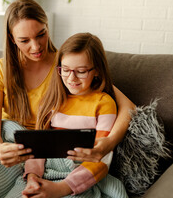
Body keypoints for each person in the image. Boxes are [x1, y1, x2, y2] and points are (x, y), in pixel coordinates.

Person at [0, 0, 135, 176]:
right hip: (3, 140)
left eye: (41, 34)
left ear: (47, 26)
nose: (36, 46)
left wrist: (108, 143)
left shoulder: (65, 67)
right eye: (24, 40)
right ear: (12, 39)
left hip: (37, 150)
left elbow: (128, 106)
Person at [22, 32, 121, 197]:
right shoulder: (53, 99)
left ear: (96, 71)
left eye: (81, 71)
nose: (71, 78)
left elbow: (101, 158)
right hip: (43, 171)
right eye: (65, 70)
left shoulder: (103, 103)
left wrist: (61, 188)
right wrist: (32, 177)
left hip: (79, 176)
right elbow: (38, 147)